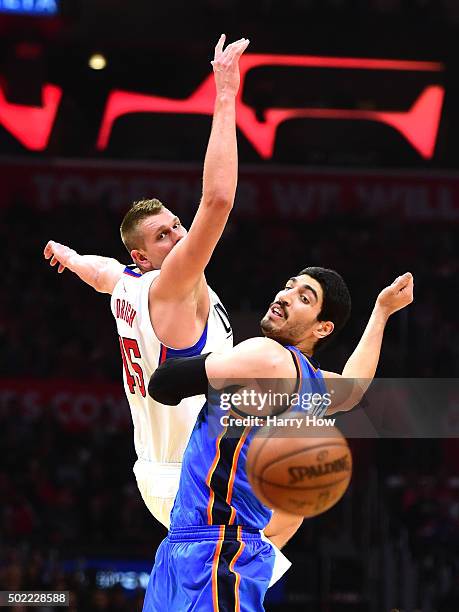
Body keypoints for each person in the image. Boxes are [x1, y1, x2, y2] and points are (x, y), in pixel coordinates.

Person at [43, 35, 249, 529]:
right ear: (143, 255)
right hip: (192, 476)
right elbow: (218, 201)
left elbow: (100, 272)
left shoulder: (129, 281)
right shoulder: (171, 284)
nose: (179, 236)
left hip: (162, 471)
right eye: (164, 235)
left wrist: (67, 257)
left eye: (177, 225)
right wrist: (225, 94)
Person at [146, 267, 414, 610]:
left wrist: (209, 350)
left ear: (322, 328)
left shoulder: (266, 355)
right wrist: (382, 311)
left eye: (304, 297)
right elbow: (355, 387)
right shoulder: (316, 385)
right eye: (288, 286)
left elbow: (163, 384)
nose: (284, 296)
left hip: (215, 551)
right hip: (201, 547)